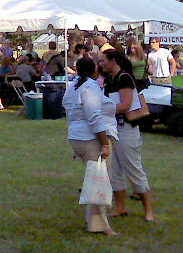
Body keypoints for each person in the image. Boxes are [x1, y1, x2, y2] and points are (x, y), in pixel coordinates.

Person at [63, 56, 118, 235]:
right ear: (93, 70)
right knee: (99, 181)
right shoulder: (90, 88)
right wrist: (104, 144)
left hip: (76, 138)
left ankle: (95, 221)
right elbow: (94, 118)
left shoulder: (73, 88)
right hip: (90, 140)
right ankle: (101, 225)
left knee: (95, 180)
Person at [98, 48, 154, 221]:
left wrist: (102, 111)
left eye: (103, 60)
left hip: (127, 129)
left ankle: (148, 211)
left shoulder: (124, 78)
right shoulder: (109, 79)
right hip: (114, 128)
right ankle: (120, 208)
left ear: (113, 60)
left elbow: (126, 105)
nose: (100, 64)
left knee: (133, 168)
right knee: (115, 171)